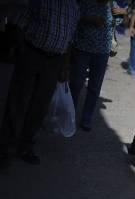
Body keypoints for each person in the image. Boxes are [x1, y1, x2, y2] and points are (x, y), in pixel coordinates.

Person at [0, 0, 79, 168]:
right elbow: (18, 22)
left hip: (55, 61)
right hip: (32, 53)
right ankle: (5, 149)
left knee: (40, 106)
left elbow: (70, 39)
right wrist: (20, 50)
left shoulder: (73, 6)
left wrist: (65, 65)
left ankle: (25, 146)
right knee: (18, 101)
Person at [69, 0, 113, 132]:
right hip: (82, 48)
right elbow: (73, 18)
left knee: (95, 86)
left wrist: (124, 13)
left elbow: (121, 23)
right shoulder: (85, 3)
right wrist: (89, 19)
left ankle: (86, 119)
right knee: (76, 83)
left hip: (102, 52)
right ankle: (69, 115)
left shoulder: (111, 5)